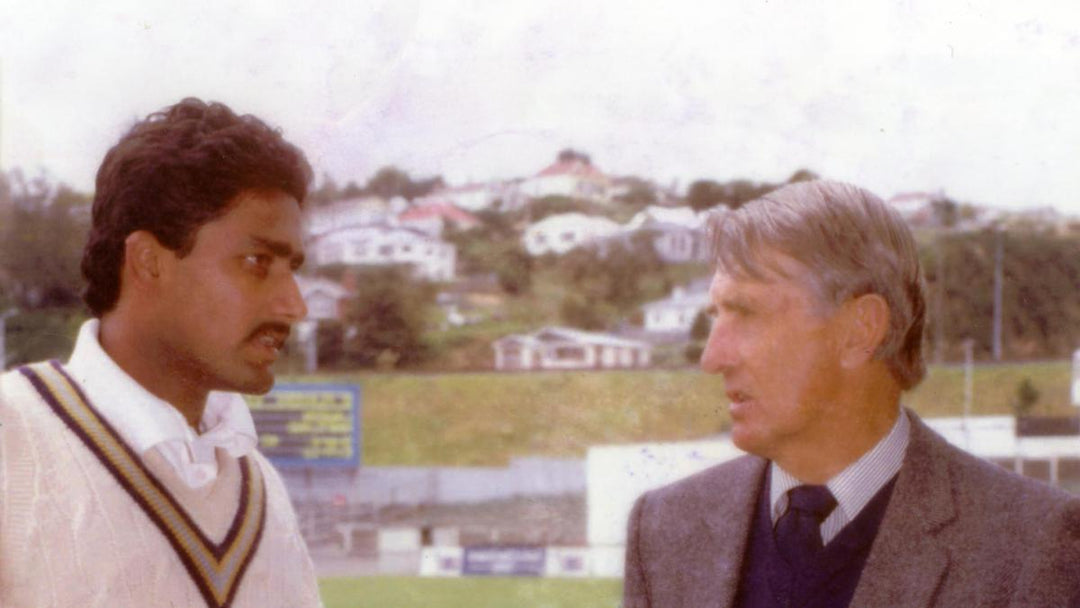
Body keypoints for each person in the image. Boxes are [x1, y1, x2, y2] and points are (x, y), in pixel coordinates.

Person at [623, 181, 1080, 608]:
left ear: (860, 329)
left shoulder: (1033, 545)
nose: (712, 357)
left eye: (746, 313)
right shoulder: (664, 529)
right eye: (715, 316)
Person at [0, 98, 323, 607]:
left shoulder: (263, 490)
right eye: (257, 261)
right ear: (148, 262)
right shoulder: (12, 439)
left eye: (293, 269)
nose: (295, 305)